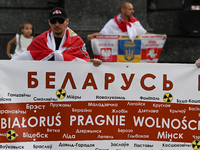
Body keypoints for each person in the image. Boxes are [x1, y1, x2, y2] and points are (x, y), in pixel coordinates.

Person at [12, 7, 102, 67]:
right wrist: (5, 66)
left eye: (61, 21)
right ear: (49, 22)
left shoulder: (77, 41)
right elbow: (24, 58)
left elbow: (84, 62)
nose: (57, 24)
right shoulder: (39, 41)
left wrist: (93, 64)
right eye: (53, 21)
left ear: (67, 21)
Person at [87, 1, 167, 41]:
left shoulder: (134, 22)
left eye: (132, 9)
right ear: (123, 10)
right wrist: (92, 36)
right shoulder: (113, 23)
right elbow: (102, 34)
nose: (133, 11)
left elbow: (144, 34)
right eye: (130, 9)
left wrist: (159, 37)